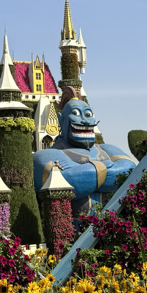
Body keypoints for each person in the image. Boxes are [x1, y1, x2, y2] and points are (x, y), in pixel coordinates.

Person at [32, 88, 138, 216]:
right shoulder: (46, 155)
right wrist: (106, 168)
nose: (85, 121)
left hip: (117, 228)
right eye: (76, 114)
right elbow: (69, 180)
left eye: (88, 115)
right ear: (61, 120)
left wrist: (88, 174)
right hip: (74, 232)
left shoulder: (107, 149)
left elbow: (131, 170)